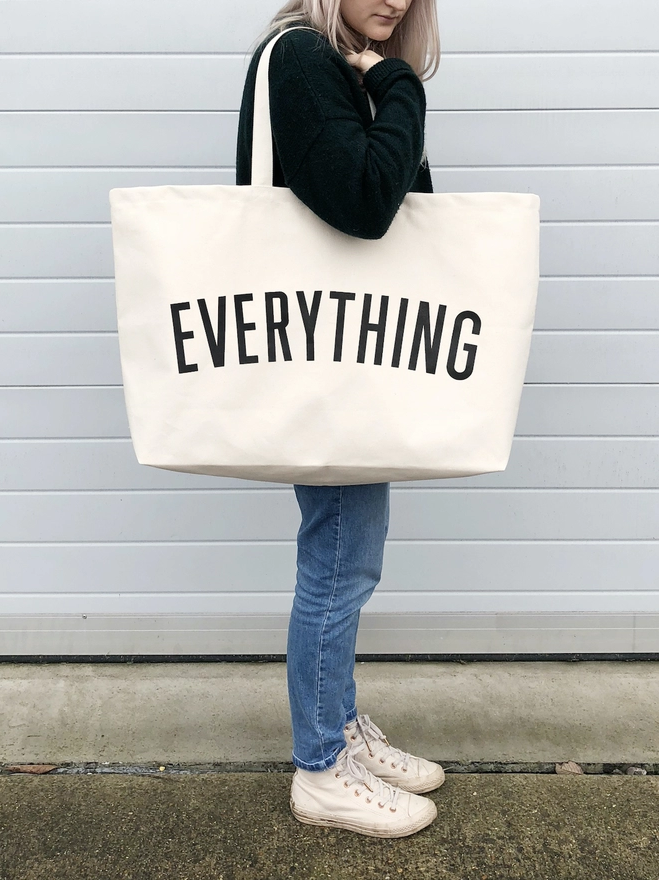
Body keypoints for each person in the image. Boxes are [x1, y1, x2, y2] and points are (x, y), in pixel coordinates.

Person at [236, 0, 443, 838]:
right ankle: (321, 765)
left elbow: (391, 195)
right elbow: (365, 200)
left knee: (350, 551)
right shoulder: (303, 60)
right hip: (329, 362)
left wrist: (379, 81)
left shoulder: (339, 60)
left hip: (349, 356)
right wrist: (396, 85)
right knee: (338, 560)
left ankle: (342, 729)